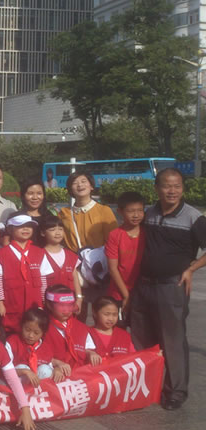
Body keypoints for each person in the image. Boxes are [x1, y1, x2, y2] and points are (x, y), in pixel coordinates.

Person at [131, 168, 206, 410]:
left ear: (182, 189)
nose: (172, 191)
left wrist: (191, 269)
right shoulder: (149, 213)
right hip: (144, 285)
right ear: (157, 188)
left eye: (177, 186)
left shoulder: (193, 217)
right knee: (142, 338)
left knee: (172, 340)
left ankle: (176, 391)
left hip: (171, 286)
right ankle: (146, 387)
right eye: (166, 186)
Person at [0, 214, 53, 333]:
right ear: (10, 229)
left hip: (34, 304)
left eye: (29, 226)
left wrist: (43, 302)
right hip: (12, 304)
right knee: (11, 332)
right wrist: (0, 303)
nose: (25, 229)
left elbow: (43, 279)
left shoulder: (39, 252)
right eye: (20, 226)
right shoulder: (1, 254)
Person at [58, 171, 118, 253]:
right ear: (70, 189)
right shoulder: (63, 213)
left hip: (98, 259)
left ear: (91, 186)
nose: (80, 185)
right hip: (73, 260)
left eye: (83, 181)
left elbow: (113, 241)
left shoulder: (104, 211)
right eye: (75, 183)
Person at [43, 285, 99, 370]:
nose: (66, 311)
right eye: (61, 305)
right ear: (49, 305)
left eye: (70, 305)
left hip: (80, 372)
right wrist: (56, 363)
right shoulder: (42, 328)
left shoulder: (81, 327)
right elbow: (36, 355)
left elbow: (88, 347)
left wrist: (91, 354)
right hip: (55, 373)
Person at [105, 192, 145, 305]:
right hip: (118, 292)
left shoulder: (148, 233)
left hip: (143, 291)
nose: (136, 215)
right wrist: (126, 295)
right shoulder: (114, 235)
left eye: (140, 210)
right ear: (120, 211)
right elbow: (113, 269)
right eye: (130, 211)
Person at [6, 308, 63, 386]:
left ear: (43, 333)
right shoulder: (12, 342)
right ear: (21, 326)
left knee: (45, 370)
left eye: (36, 333)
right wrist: (24, 371)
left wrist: (57, 370)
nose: (31, 335)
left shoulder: (45, 348)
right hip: (16, 383)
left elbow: (49, 366)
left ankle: (40, 392)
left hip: (38, 385)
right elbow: (5, 369)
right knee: (23, 367)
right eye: (27, 330)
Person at [40, 216, 83, 312]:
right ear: (43, 233)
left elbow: (75, 279)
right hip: (49, 306)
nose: (58, 233)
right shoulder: (39, 255)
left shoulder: (71, 255)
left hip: (69, 305)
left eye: (60, 229)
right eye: (52, 230)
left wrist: (79, 299)